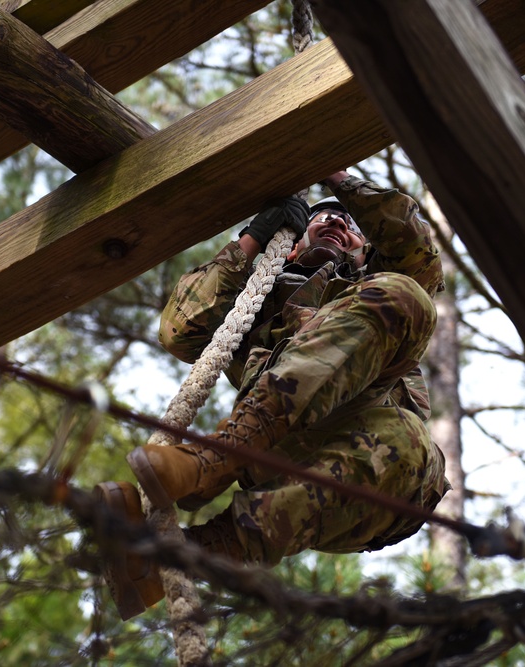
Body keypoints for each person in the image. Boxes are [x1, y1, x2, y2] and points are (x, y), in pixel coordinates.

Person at [95, 170, 451, 619]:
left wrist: (337, 177)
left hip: (381, 462)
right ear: (296, 243)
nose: (337, 224)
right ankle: (160, 560)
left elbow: (412, 245)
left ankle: (210, 474)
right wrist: (253, 238)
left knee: (405, 318)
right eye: (321, 219)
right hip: (282, 448)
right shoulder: (256, 305)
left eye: (350, 226)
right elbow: (179, 331)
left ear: (365, 249)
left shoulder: (378, 281)